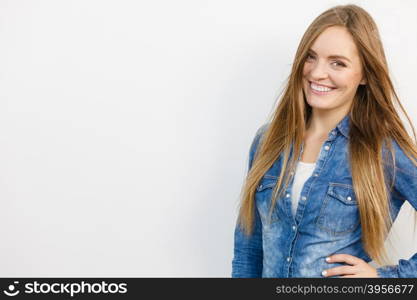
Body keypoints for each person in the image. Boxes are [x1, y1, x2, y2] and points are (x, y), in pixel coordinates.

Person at [231, 4, 417, 278]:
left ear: (365, 74)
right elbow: (249, 250)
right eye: (311, 57)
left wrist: (384, 279)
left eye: (338, 63)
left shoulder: (383, 150)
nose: (317, 73)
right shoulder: (268, 141)